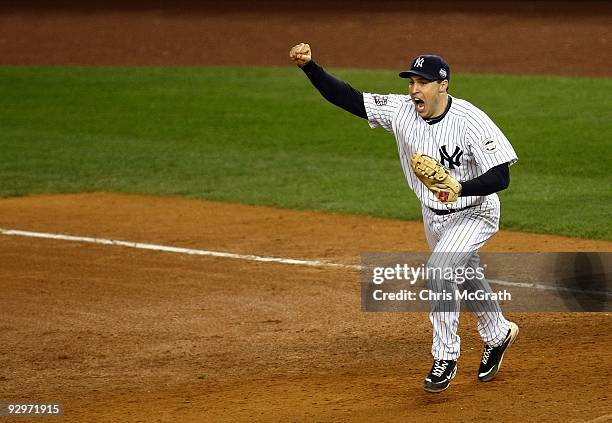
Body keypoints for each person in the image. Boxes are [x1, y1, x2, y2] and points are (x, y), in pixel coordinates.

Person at [289, 43, 520, 393]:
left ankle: (445, 356)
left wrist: (461, 187)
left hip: (476, 211)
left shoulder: (471, 120)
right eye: (411, 81)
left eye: (423, 82)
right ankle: (498, 332)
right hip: (433, 215)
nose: (414, 90)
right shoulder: (401, 111)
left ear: (443, 85)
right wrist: (310, 67)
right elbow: (349, 98)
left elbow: (501, 176)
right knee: (464, 271)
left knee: (440, 270)